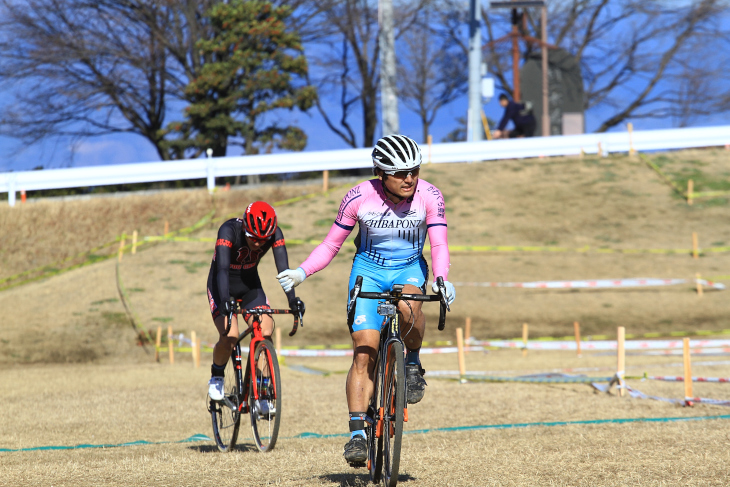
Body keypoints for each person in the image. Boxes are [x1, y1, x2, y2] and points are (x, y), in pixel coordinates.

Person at [276, 134, 456, 466]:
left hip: (409, 269)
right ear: (380, 172)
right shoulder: (358, 196)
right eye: (400, 173)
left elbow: (439, 244)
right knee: (365, 352)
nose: (409, 179)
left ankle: (413, 362)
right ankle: (357, 434)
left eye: (414, 170)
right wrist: (302, 272)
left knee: (410, 303)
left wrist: (442, 278)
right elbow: (332, 245)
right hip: (368, 272)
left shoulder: (430, 195)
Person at [206, 201, 305, 401]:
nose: (258, 243)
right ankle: (217, 374)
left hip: (250, 286)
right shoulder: (228, 230)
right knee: (230, 334)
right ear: (245, 227)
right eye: (253, 238)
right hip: (221, 286)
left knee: (266, 328)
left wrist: (292, 300)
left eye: (263, 239)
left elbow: (284, 271)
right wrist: (225, 300)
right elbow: (223, 270)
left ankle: (263, 389)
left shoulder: (276, 234)